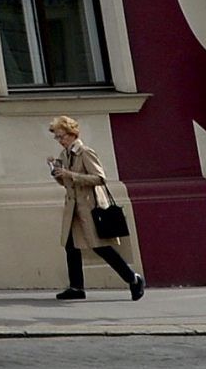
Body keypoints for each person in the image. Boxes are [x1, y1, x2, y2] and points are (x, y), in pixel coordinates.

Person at [48, 113, 145, 301]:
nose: (60, 140)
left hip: (89, 207)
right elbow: (66, 183)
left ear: (72, 133)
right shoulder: (65, 154)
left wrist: (69, 174)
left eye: (62, 136)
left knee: (100, 247)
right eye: (57, 137)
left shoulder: (85, 152)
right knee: (71, 247)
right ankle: (76, 288)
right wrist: (56, 172)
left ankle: (133, 279)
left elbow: (100, 178)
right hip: (74, 209)